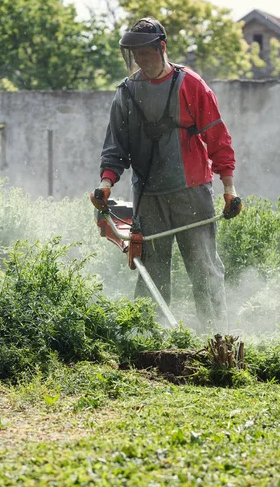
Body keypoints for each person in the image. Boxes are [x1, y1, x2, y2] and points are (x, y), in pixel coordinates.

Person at [91, 17, 241, 330]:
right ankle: (148, 339)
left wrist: (229, 188)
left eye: (145, 52)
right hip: (148, 197)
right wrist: (105, 184)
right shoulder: (126, 93)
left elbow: (218, 139)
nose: (140, 59)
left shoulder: (191, 85)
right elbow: (114, 150)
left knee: (203, 267)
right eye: (134, 53)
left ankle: (217, 337)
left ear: (161, 47)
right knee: (151, 271)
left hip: (192, 193)